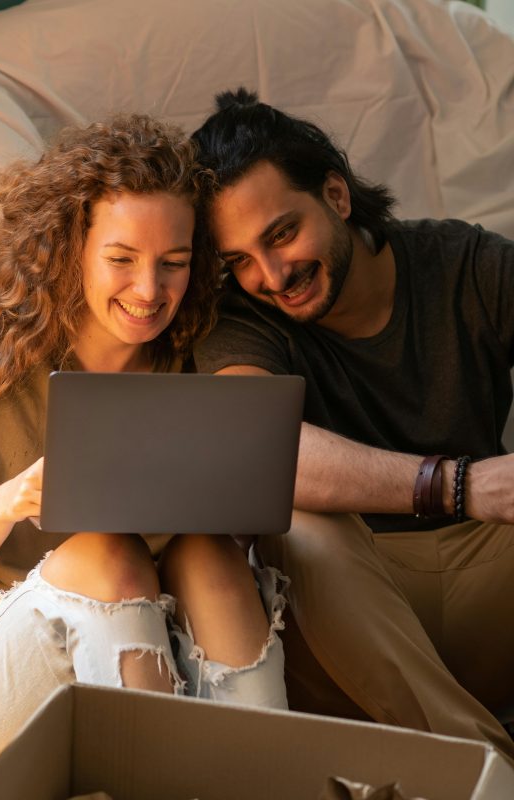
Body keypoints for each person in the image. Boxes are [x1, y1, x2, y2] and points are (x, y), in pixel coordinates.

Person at [0, 114, 288, 774]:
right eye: (122, 260)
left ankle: (265, 777)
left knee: (209, 553)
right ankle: (163, 780)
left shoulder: (193, 360)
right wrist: (11, 502)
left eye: (174, 264)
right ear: (70, 249)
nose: (149, 291)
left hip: (159, 658)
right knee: (109, 554)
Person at [190, 87, 514, 763]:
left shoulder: (467, 266)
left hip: (488, 579)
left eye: (281, 234)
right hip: (346, 624)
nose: (272, 276)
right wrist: (461, 485)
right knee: (296, 522)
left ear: (336, 195)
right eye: (240, 260)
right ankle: (482, 770)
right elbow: (257, 449)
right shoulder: (241, 320)